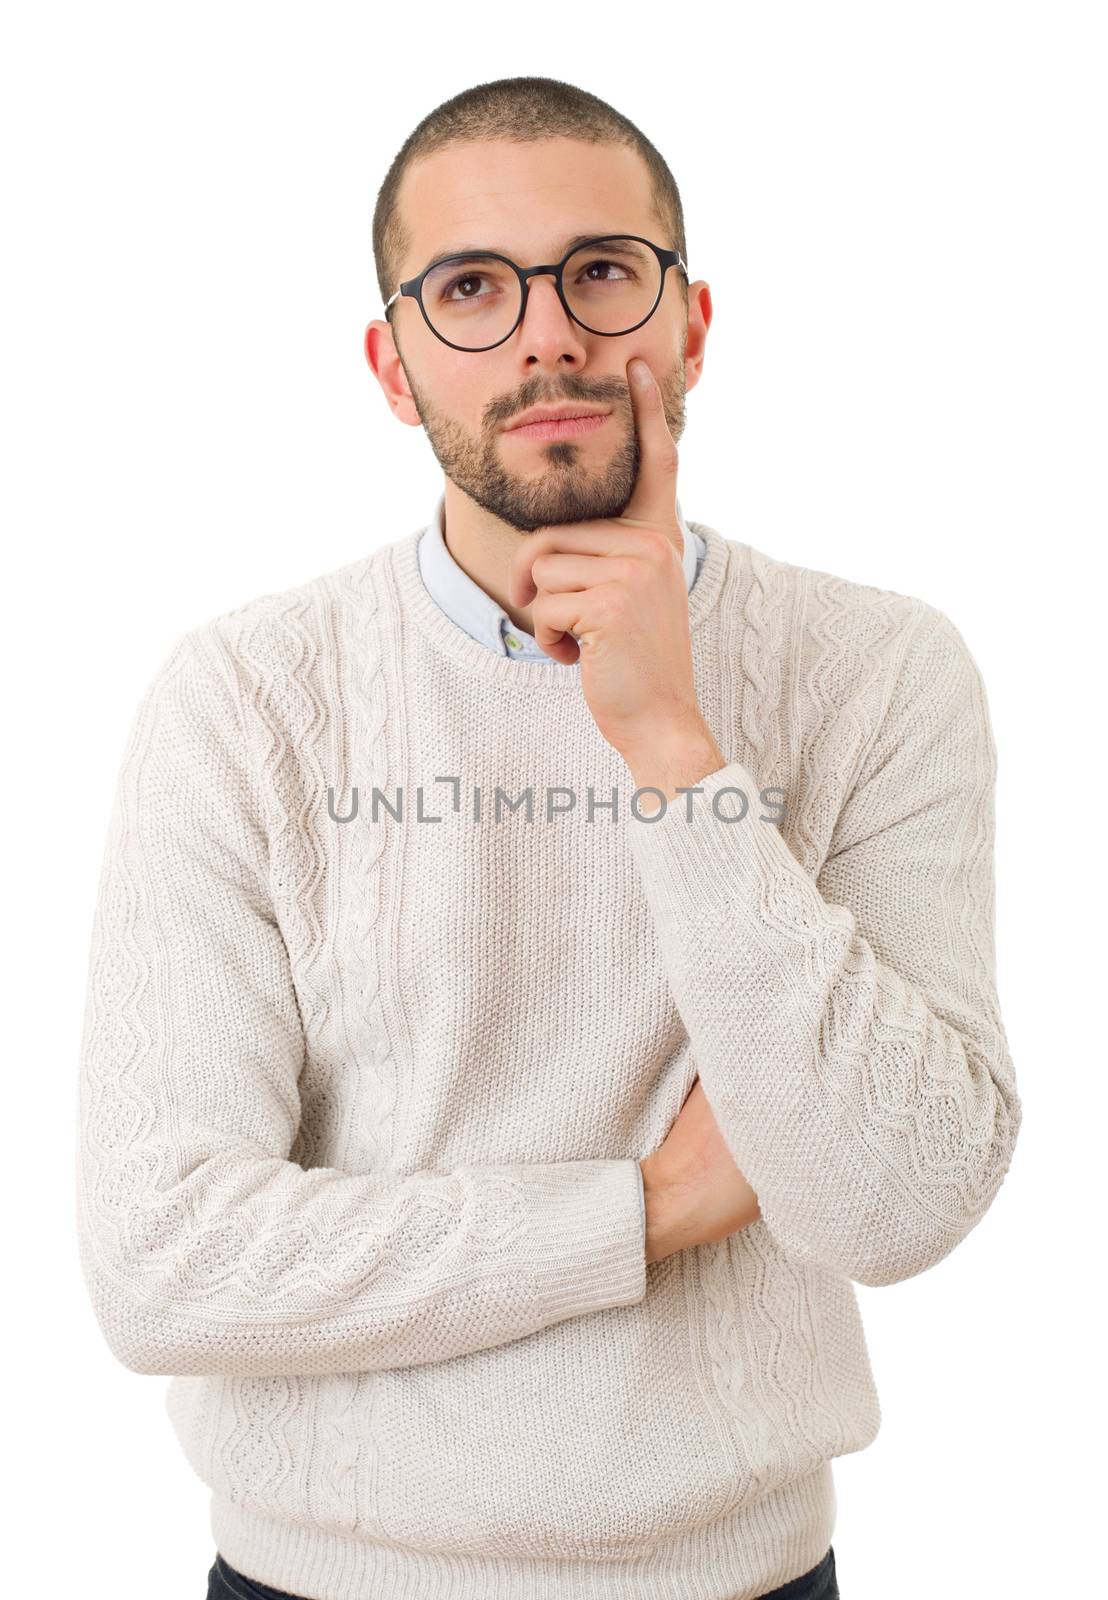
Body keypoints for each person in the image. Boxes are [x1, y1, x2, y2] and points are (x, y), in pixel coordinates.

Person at [76, 74, 1021, 1600]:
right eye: (471, 289)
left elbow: (894, 1201)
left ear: (691, 324)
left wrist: (671, 747)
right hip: (319, 1580)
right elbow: (164, 1261)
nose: (549, 335)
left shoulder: (881, 671)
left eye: (600, 271)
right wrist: (640, 1213)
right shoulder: (244, 701)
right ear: (394, 369)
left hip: (741, 1579)